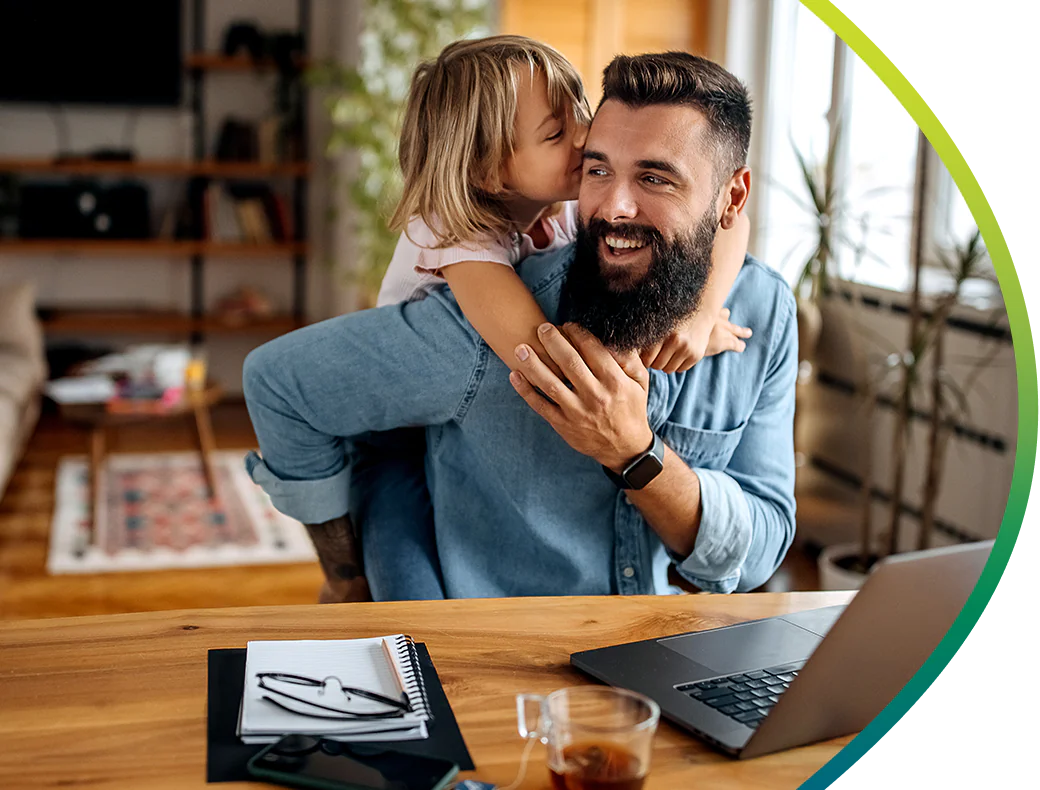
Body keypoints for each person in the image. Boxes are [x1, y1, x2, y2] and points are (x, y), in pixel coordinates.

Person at [244, 50, 797, 599]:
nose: (611, 203)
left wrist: (698, 315)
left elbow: (760, 554)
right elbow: (547, 359)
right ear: (491, 169)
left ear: (731, 194)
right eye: (595, 165)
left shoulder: (761, 309)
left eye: (655, 178)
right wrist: (344, 575)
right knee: (401, 589)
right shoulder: (472, 270)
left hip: (667, 653)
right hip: (396, 464)